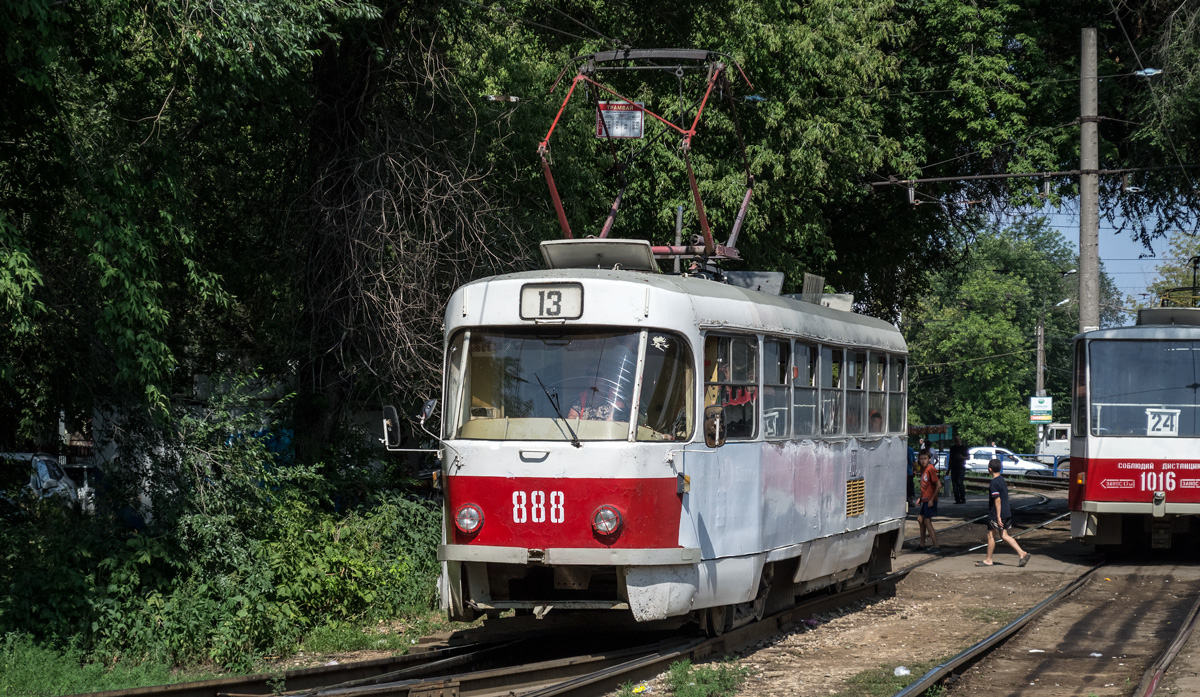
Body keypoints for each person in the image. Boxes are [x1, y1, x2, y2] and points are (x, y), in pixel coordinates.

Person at [977, 458, 1031, 567]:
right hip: (1006, 512)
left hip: (997, 513)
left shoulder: (993, 483)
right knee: (1004, 535)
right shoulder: (1002, 480)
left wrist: (998, 516)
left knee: (991, 535)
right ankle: (1022, 553)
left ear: (989, 469)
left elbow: (997, 500)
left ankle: (988, 560)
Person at [915, 449, 941, 552]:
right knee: (920, 520)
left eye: (925, 459)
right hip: (925, 499)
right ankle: (922, 544)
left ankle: (936, 546)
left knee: (927, 520)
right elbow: (925, 486)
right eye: (921, 459)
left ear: (929, 459)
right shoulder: (923, 470)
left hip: (930, 500)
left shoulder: (931, 469)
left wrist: (931, 499)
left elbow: (938, 485)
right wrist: (921, 498)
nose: (923, 461)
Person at [947, 434, 970, 504]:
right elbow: (950, 459)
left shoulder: (964, 448)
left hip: (961, 467)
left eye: (958, 440)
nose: (957, 442)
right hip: (954, 467)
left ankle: (962, 498)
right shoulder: (952, 448)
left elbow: (968, 457)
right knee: (954, 484)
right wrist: (948, 469)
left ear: (960, 440)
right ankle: (957, 499)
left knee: (960, 482)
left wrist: (962, 457)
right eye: (955, 441)